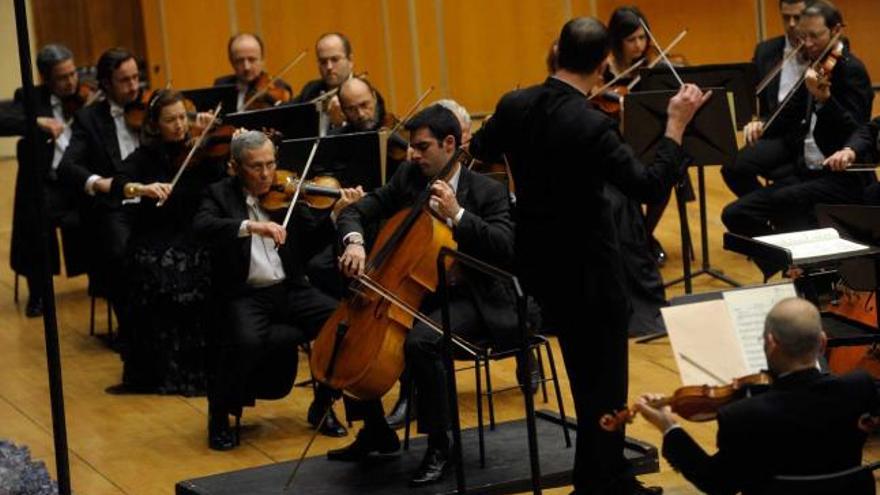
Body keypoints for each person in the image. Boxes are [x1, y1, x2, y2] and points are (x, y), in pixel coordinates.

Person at [468, 17, 710, 494]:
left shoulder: (515, 104)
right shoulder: (591, 125)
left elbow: (481, 147)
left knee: (587, 381)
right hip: (591, 273)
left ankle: (608, 476)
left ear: (556, 52)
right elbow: (648, 184)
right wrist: (676, 126)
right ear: (603, 65)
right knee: (605, 384)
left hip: (538, 265)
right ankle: (597, 485)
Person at [326, 104, 518, 487]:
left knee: (422, 343)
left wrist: (458, 215)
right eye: (412, 147)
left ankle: (441, 444)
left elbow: (505, 247)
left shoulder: (487, 190)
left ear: (450, 144)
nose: (412, 154)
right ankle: (375, 431)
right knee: (352, 327)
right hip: (421, 293)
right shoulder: (409, 177)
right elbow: (359, 210)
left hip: (476, 298)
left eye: (422, 147)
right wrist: (355, 242)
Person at [193, 130, 357, 449]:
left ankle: (322, 404)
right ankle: (220, 413)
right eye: (256, 166)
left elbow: (311, 240)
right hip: (245, 294)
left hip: (289, 287)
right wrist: (251, 226)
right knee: (245, 341)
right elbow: (201, 226)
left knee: (342, 324)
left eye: (270, 164)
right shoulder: (218, 195)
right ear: (235, 167)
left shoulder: (288, 193)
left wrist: (336, 216)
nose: (267, 174)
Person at [636, 297, 879, 494]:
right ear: (823, 343)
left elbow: (716, 482)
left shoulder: (744, 415)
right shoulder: (860, 386)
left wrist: (669, 427)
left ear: (771, 343)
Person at [721, 0, 874, 277]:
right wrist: (762, 125)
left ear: (836, 30)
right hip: (807, 172)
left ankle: (803, 270)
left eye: (815, 36)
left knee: (783, 201)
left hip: (841, 178)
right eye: (804, 36)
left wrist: (825, 101)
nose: (807, 43)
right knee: (735, 213)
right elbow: (788, 112)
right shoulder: (814, 66)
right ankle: (786, 265)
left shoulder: (851, 70)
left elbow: (857, 130)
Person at [106, 89, 226, 395]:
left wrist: (210, 134)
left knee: (186, 269)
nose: (179, 126)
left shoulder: (202, 151)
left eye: (182, 118)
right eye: (170, 120)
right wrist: (142, 189)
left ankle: (194, 370)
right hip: (156, 232)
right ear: (155, 124)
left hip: (195, 233)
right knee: (144, 266)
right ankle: (155, 371)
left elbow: (221, 181)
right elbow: (120, 183)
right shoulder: (146, 155)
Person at [57, 47, 143, 332]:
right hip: (116, 207)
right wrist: (99, 182)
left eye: (136, 78)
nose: (134, 87)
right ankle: (133, 332)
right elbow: (67, 166)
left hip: (155, 199)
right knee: (121, 253)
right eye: (125, 80)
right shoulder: (89, 118)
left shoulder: (153, 110)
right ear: (106, 84)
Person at [0, 43, 89, 317]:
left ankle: (102, 281)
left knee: (103, 207)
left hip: (76, 179)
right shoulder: (29, 97)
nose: (71, 81)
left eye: (73, 73)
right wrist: (36, 122)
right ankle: (39, 292)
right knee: (35, 215)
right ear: (45, 78)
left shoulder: (88, 95)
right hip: (46, 182)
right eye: (62, 77)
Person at [214, 33, 292, 112]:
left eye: (252, 60)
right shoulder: (221, 85)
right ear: (231, 61)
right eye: (240, 61)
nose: (246, 67)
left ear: (262, 60)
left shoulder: (280, 87)